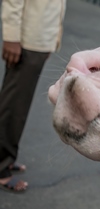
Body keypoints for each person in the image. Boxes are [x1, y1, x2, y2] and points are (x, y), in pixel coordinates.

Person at [0, 0, 66, 193]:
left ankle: (6, 157)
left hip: (38, 40)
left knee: (18, 106)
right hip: (26, 41)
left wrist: (52, 40)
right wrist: (11, 37)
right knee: (13, 106)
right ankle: (1, 167)